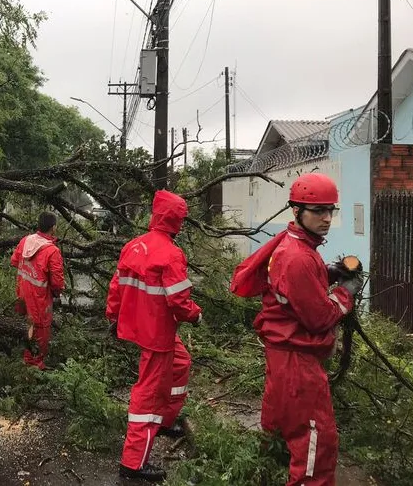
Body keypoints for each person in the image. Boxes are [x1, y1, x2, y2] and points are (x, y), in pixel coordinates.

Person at [230, 173, 364, 486]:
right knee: (316, 442)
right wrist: (346, 293)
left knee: (277, 431)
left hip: (282, 358)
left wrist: (329, 273)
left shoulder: (292, 245)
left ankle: (265, 477)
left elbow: (293, 289)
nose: (327, 218)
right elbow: (319, 318)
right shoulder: (299, 258)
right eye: (318, 211)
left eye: (330, 210)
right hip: (298, 362)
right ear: (296, 211)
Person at [106, 190, 203, 483]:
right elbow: (179, 302)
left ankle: (164, 420)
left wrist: (113, 316)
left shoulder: (133, 246)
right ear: (176, 220)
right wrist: (195, 315)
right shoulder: (172, 254)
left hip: (141, 327)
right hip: (157, 334)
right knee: (147, 395)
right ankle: (133, 464)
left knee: (181, 363)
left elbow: (116, 286)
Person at [10, 211, 65, 370]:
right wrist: (58, 292)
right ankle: (34, 365)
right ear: (53, 227)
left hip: (22, 292)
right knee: (40, 330)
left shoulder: (26, 240)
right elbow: (57, 282)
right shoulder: (52, 251)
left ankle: (27, 357)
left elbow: (14, 261)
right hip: (39, 298)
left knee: (28, 324)